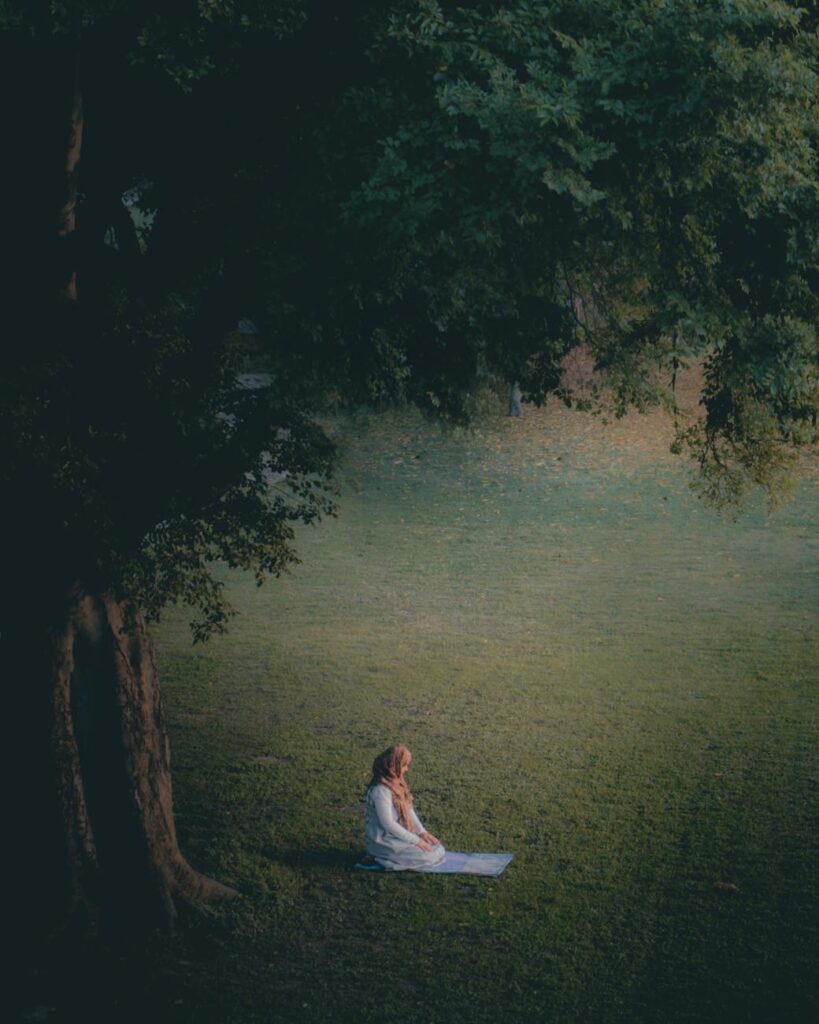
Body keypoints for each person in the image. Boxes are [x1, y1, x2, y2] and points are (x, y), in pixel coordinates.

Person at [364, 744, 445, 871]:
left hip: (397, 836)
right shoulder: (381, 790)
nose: (406, 769)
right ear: (392, 766)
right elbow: (388, 824)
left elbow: (408, 809)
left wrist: (422, 832)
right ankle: (379, 858)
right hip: (384, 840)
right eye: (404, 765)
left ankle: (392, 856)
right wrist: (416, 841)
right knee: (429, 856)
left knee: (437, 848)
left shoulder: (396, 785)